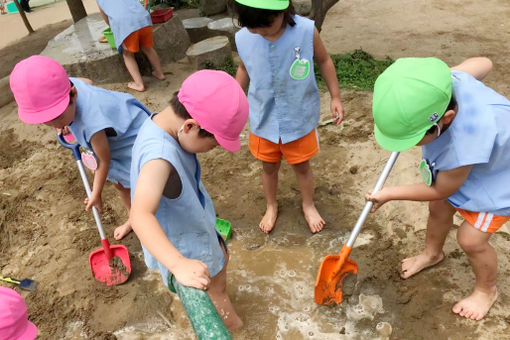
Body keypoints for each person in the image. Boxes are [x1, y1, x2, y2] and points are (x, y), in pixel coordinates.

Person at [366, 57, 510, 321]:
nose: (408, 144)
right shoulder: (445, 86)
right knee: (438, 209)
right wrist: (439, 81)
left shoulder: (466, 143)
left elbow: (440, 190)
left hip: (499, 179)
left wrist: (388, 193)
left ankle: (486, 290)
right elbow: (486, 63)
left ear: (446, 118)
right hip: (475, 166)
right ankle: (432, 253)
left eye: (414, 137)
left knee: (471, 239)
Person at [129, 70, 248, 330]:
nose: (213, 149)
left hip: (191, 230)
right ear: (190, 126)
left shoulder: (158, 124)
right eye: (214, 144)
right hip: (189, 250)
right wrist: (178, 264)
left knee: (215, 287)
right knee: (218, 299)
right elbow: (139, 215)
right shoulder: (159, 157)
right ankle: (237, 330)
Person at [231, 0, 345, 234]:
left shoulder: (305, 30)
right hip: (263, 118)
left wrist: (335, 97)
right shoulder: (244, 37)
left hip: (298, 116)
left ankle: (308, 204)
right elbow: (244, 68)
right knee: (269, 167)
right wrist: (233, 100)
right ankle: (271, 205)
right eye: (254, 28)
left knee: (302, 166)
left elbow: (324, 60)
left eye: (265, 26)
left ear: (282, 10)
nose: (260, 32)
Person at [9, 55, 152, 241]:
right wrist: (63, 119)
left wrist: (96, 193)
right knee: (121, 184)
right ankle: (134, 217)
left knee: (145, 183)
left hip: (133, 138)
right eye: (48, 120)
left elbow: (103, 160)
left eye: (58, 117)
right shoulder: (67, 86)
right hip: (112, 140)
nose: (55, 125)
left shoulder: (93, 123)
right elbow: (87, 81)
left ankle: (149, 220)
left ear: (73, 94)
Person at [96, 0, 165, 92]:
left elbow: (104, 15)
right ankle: (160, 73)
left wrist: (114, 27)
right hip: (143, 19)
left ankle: (139, 84)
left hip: (125, 24)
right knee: (148, 48)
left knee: (127, 55)